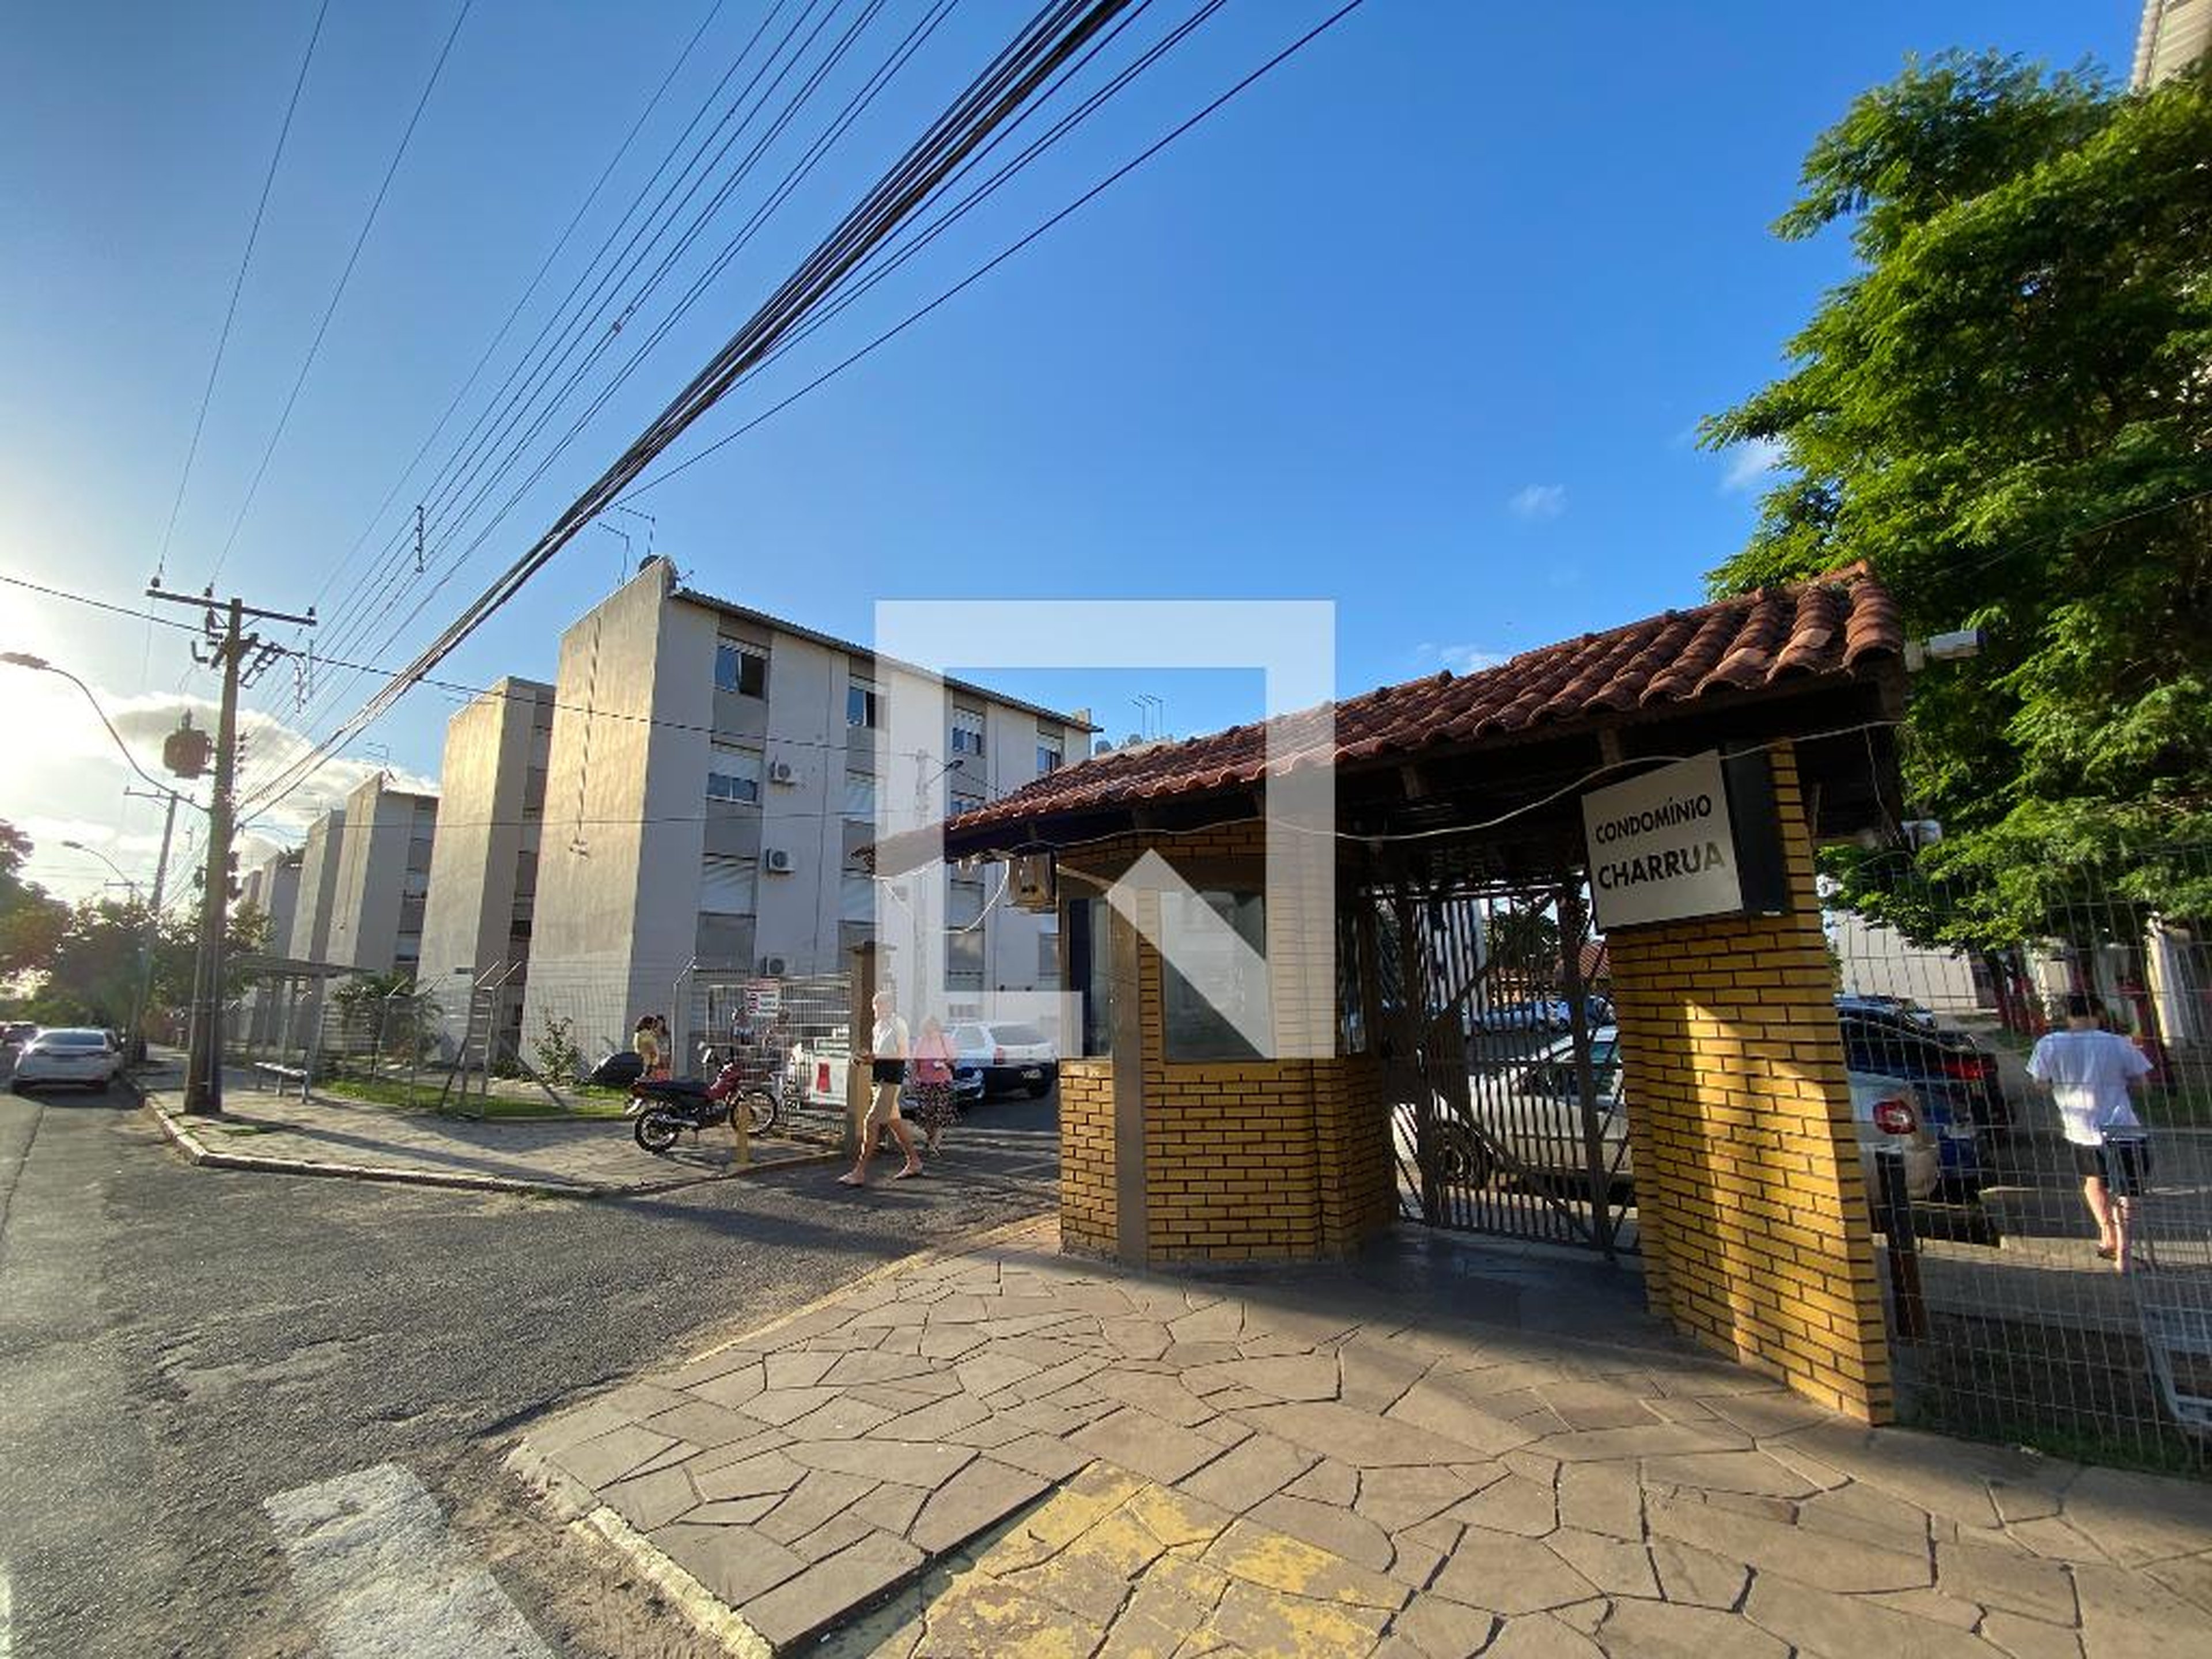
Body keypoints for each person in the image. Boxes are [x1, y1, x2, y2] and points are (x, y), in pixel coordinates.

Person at [2027, 992, 2153, 1272]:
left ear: (2067, 1016)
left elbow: (2040, 1084)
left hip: (2080, 1128)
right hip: (2122, 1128)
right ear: (2098, 1013)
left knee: (2094, 1181)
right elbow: (2144, 1086)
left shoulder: (2049, 1044)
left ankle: (2106, 1234)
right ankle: (2124, 1251)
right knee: (2128, 1189)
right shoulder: (2119, 1044)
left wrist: (2064, 1086)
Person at [840, 990, 922, 1185]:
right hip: (879, 1081)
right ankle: (915, 1162)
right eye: (875, 1007)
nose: (876, 1010)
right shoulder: (878, 1027)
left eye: (880, 1006)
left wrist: (875, 1058)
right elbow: (880, 1055)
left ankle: (859, 1172)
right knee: (895, 1123)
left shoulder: (899, 1024)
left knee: (871, 1122)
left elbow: (903, 1055)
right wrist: (864, 1059)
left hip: (891, 1082)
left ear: (890, 1006)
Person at [908, 1016, 960, 1157]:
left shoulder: (945, 1040)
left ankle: (933, 1145)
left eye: (932, 1026)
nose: (929, 1029)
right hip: (925, 1083)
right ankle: (930, 1139)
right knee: (927, 1116)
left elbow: (954, 1059)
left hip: (943, 1083)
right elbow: (915, 1064)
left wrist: (944, 1063)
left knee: (940, 1115)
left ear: (937, 1027)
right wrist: (913, 1081)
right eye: (927, 1027)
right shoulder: (921, 1042)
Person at [632, 1016, 664, 1081]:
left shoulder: (640, 1033)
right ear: (648, 1024)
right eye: (653, 1024)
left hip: (646, 1058)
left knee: (648, 1074)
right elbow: (651, 1044)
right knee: (647, 1074)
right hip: (648, 1058)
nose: (654, 1026)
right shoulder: (645, 1033)